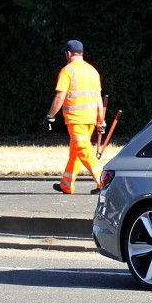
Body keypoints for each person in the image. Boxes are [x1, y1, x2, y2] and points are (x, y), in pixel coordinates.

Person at [44, 40, 106, 194]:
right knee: (76, 151)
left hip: (76, 118)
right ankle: (66, 184)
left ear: (68, 53)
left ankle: (104, 182)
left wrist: (50, 115)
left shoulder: (67, 71)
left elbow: (60, 96)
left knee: (82, 149)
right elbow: (98, 98)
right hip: (90, 119)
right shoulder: (93, 71)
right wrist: (101, 120)